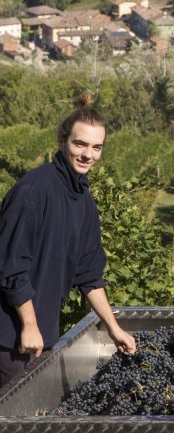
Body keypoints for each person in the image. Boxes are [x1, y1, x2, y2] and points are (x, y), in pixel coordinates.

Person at [0, 93, 136, 388]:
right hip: (10, 339)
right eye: (80, 144)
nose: (88, 154)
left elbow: (90, 275)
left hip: (40, 336)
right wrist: (29, 325)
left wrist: (114, 328)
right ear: (63, 141)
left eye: (96, 147)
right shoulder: (34, 190)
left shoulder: (83, 200)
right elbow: (11, 266)